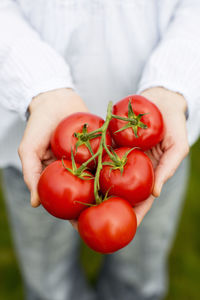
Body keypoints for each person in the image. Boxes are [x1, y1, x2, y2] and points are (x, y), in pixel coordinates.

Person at [0, 0, 200, 299]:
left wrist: (174, 82)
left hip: (159, 151)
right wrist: (38, 85)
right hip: (37, 144)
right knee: (49, 282)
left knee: (139, 276)